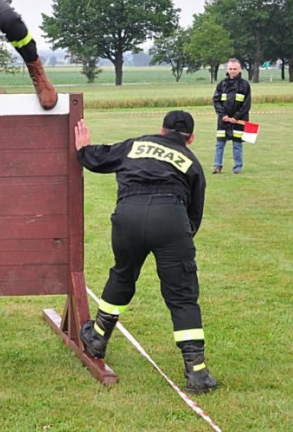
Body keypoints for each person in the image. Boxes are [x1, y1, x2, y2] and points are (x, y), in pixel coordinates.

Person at [74, 111, 217, 394]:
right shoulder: (192, 163)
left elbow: (98, 159)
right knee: (182, 294)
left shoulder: (136, 144)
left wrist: (83, 149)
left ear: (161, 131)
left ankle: (98, 337)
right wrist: (180, 241)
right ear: (191, 139)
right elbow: (195, 213)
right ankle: (197, 372)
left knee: (123, 275)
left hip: (128, 213)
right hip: (172, 219)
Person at [212, 58, 251, 174]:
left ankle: (237, 167)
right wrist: (223, 115)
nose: (232, 71)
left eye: (235, 69)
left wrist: (236, 117)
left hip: (238, 121)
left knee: (237, 145)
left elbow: (246, 104)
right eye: (230, 69)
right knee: (219, 144)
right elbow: (216, 101)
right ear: (227, 70)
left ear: (239, 70)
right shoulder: (222, 84)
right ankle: (217, 166)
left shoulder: (245, 85)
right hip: (223, 121)